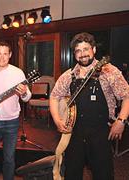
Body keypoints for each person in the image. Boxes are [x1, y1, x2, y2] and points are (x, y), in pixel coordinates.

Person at [49, 32, 129, 180]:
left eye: (86, 49)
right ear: (74, 54)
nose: (82, 54)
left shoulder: (109, 71)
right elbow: (54, 97)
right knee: (72, 174)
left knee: (103, 174)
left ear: (94, 50)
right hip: (75, 134)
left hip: (101, 133)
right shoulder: (69, 75)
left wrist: (121, 121)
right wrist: (57, 120)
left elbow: (126, 96)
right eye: (78, 51)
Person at [0, 41, 32, 180]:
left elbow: (27, 97)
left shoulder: (18, 73)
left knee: (9, 158)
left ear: (10, 55)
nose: (2, 57)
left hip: (11, 122)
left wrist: (23, 92)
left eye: (5, 53)